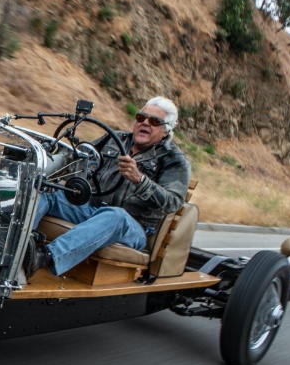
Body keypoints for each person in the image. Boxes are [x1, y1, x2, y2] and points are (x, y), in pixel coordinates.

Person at [25, 96, 192, 277]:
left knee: (116, 215)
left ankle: (43, 257)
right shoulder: (114, 139)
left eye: (154, 121)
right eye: (141, 118)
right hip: (91, 210)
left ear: (166, 131)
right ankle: (18, 244)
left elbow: (172, 202)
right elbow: (80, 161)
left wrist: (140, 179)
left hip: (132, 227)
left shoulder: (173, 160)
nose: (145, 123)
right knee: (48, 191)